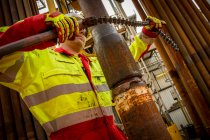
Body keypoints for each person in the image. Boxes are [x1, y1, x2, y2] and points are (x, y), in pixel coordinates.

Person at [0, 12, 165, 140]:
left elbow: (125, 59)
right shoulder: (35, 62)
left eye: (83, 27)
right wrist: (42, 22)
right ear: (60, 28)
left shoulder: (96, 64)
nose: (81, 29)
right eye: (74, 23)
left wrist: (147, 35)